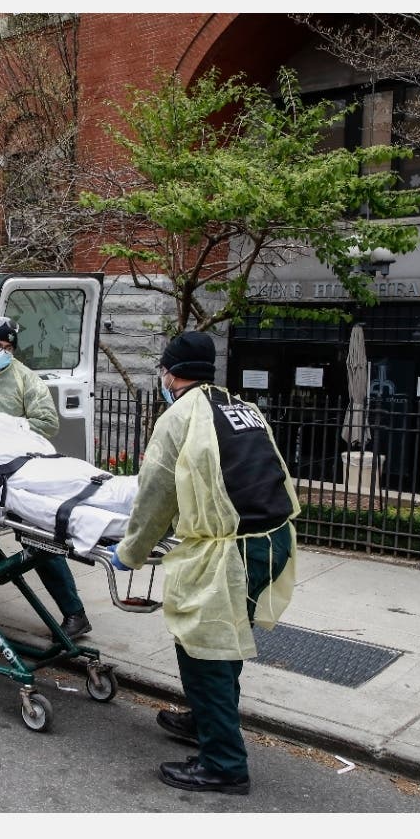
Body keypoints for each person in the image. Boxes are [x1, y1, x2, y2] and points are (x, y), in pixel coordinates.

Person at [109, 329, 299, 795]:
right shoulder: (243, 409)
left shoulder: (179, 418)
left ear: (170, 374)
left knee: (204, 653)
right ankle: (203, 720)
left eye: (162, 371)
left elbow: (155, 494)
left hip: (228, 551)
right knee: (226, 642)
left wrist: (130, 552)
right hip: (273, 541)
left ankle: (224, 764)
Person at [0, 316, 92, 639]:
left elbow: (47, 421)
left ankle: (74, 613)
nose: (3, 351)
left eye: (9, 347)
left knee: (37, 538)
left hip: (16, 472)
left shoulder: (25, 380)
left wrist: (9, 431)